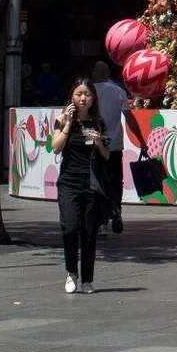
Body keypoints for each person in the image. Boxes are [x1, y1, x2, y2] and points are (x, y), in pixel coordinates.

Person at [49, 77, 111, 294]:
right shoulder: (62, 119)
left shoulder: (99, 123)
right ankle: (71, 272)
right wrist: (67, 125)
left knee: (88, 233)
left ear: (93, 98)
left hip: (92, 182)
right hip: (69, 181)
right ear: (72, 97)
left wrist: (98, 142)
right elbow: (55, 148)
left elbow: (106, 155)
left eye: (87, 95)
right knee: (70, 228)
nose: (83, 98)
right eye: (79, 94)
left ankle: (87, 279)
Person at [91, 61, 129, 235]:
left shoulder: (87, 91)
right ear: (108, 74)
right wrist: (142, 140)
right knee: (115, 182)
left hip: (94, 146)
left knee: (98, 183)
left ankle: (101, 223)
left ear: (93, 74)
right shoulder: (118, 91)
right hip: (114, 145)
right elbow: (130, 117)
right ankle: (117, 212)